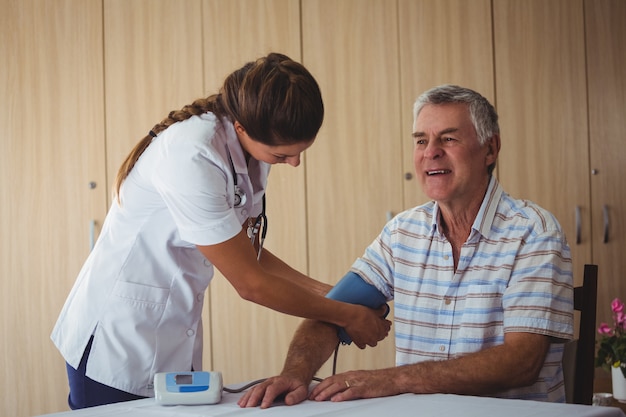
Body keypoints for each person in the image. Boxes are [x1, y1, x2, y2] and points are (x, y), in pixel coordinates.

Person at [50, 52, 391, 410]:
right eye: (282, 155)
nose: (294, 163)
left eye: (299, 152)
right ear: (241, 127)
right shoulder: (192, 155)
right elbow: (250, 282)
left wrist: (333, 295)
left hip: (169, 332)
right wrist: (346, 314)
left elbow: (248, 251)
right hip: (116, 340)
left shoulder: (251, 149)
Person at [238, 84, 574, 408]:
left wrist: (394, 380)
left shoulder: (534, 232)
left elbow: (522, 362)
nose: (431, 152)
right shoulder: (402, 232)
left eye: (449, 138)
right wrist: (295, 373)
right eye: (421, 140)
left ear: (490, 149)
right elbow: (332, 313)